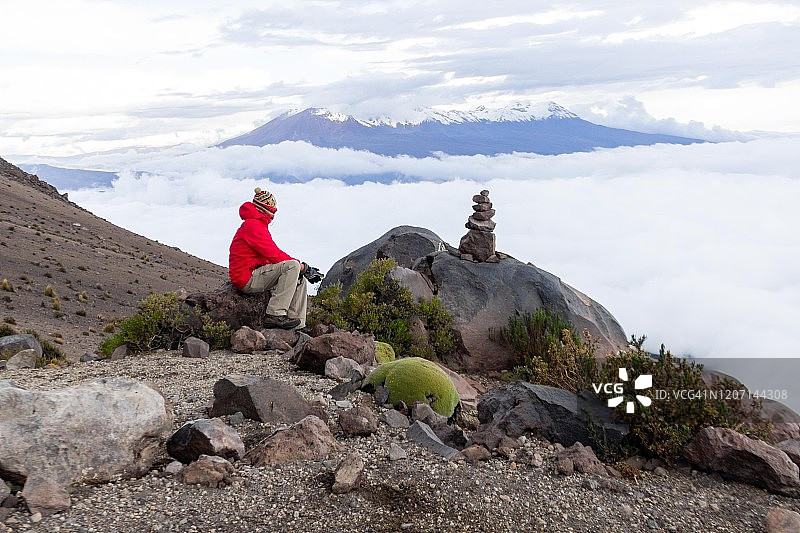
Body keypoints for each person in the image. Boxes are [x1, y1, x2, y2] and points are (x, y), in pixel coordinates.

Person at [228, 188, 322, 329]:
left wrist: (302, 269)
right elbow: (273, 254)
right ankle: (275, 315)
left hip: (255, 272)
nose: (273, 214)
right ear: (263, 209)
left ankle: (296, 323)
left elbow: (270, 256)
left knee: (299, 277)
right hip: (247, 277)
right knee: (293, 267)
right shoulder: (253, 226)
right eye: (271, 210)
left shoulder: (257, 225)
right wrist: (302, 266)